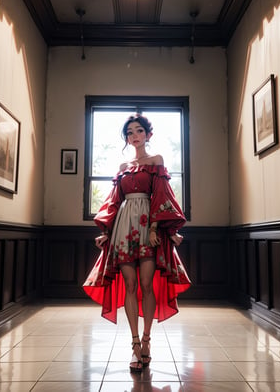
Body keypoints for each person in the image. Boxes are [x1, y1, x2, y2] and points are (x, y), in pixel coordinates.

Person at [83, 113, 191, 374]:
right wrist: (106, 232)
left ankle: (147, 340)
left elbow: (162, 194)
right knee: (130, 284)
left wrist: (155, 226)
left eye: (138, 130)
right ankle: (134, 345)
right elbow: (114, 201)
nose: (134, 135)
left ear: (148, 134)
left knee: (146, 285)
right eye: (129, 132)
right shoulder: (122, 167)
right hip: (123, 226)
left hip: (147, 226)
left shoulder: (156, 162)